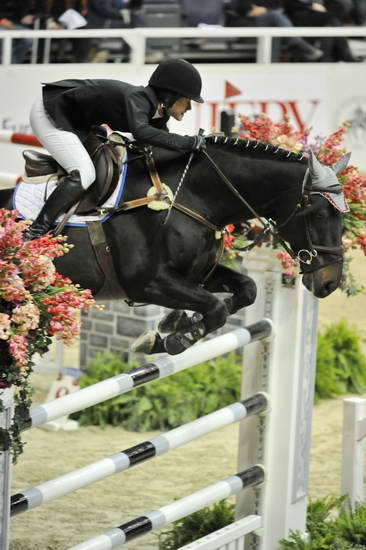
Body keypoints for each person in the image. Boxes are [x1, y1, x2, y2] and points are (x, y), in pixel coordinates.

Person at [24, 59, 206, 240]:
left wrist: (193, 151)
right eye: (186, 100)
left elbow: (160, 145)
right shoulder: (139, 98)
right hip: (50, 112)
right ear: (170, 96)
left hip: (78, 122)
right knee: (84, 174)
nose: (189, 107)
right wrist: (188, 142)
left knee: (102, 141)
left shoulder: (157, 115)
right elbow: (142, 133)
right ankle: (35, 231)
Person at [227, 1, 323, 62]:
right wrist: (268, 11)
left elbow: (284, 6)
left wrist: (310, 5)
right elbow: (250, 12)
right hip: (250, 27)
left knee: (274, 25)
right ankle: (299, 44)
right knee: (274, 16)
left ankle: (272, 67)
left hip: (269, 26)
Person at [284, 0, 361, 61]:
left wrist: (320, 7)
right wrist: (311, 6)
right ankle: (345, 54)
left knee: (329, 27)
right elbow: (288, 4)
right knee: (331, 20)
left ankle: (326, 57)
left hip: (318, 15)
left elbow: (332, 5)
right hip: (300, 16)